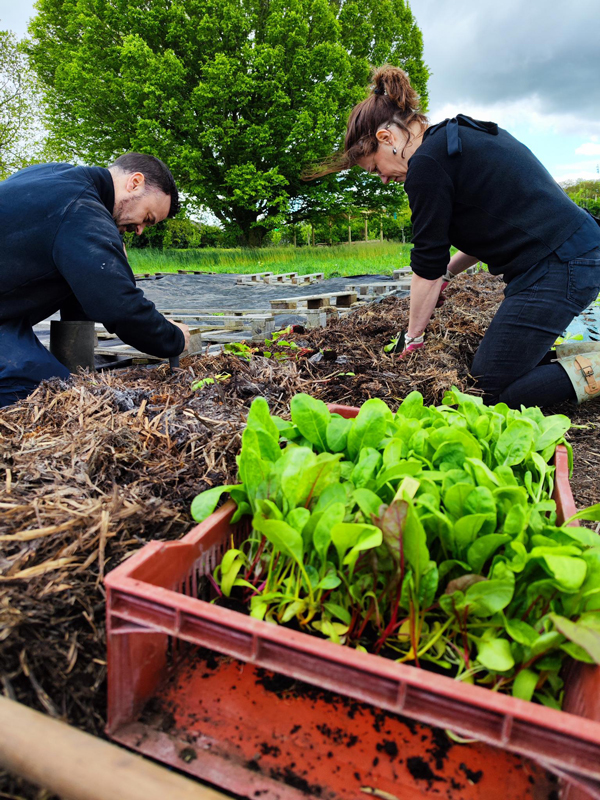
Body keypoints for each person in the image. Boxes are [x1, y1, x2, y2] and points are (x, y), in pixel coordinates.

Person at [312, 65, 600, 408]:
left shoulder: (428, 166)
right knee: (506, 369)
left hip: (561, 263)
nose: (384, 179)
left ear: (386, 139)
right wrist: (450, 272)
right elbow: (489, 225)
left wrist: (412, 337)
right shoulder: (455, 138)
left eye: (376, 168)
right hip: (571, 253)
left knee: (488, 392)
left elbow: (426, 264)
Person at [0, 153, 190, 407]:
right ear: (135, 182)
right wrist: (175, 337)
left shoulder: (52, 175)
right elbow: (120, 307)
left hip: (7, 318)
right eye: (147, 218)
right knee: (50, 394)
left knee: (60, 382)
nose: (140, 230)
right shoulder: (82, 211)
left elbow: (83, 287)